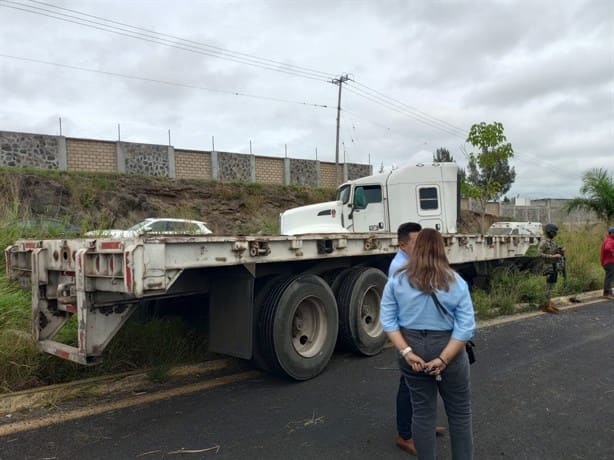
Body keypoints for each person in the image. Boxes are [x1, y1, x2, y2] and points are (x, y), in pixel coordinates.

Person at [381, 228, 476, 459]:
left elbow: (388, 320)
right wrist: (444, 358)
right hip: (448, 347)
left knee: (422, 413)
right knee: (460, 413)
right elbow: (466, 327)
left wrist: (406, 351)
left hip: (411, 346)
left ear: (418, 248)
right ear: (441, 248)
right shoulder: (456, 281)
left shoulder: (397, 279)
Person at [389, 223, 445, 455]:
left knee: (423, 382)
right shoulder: (398, 268)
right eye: (416, 242)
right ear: (403, 244)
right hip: (410, 334)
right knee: (409, 382)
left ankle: (422, 425)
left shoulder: (412, 263)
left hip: (422, 332)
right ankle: (405, 435)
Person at [537, 223, 565, 314]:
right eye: (554, 232)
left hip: (554, 266)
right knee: (548, 286)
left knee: (552, 285)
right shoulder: (544, 242)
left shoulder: (552, 242)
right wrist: (552, 256)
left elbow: (555, 250)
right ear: (549, 232)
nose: (555, 234)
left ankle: (548, 302)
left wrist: (560, 251)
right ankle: (546, 305)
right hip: (547, 267)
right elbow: (539, 254)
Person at [600, 226, 614, 298]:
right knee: (609, 278)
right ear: (611, 233)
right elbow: (608, 248)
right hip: (609, 262)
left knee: (610, 277)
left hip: (608, 262)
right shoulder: (609, 240)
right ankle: (607, 293)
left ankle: (609, 292)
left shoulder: (609, 239)